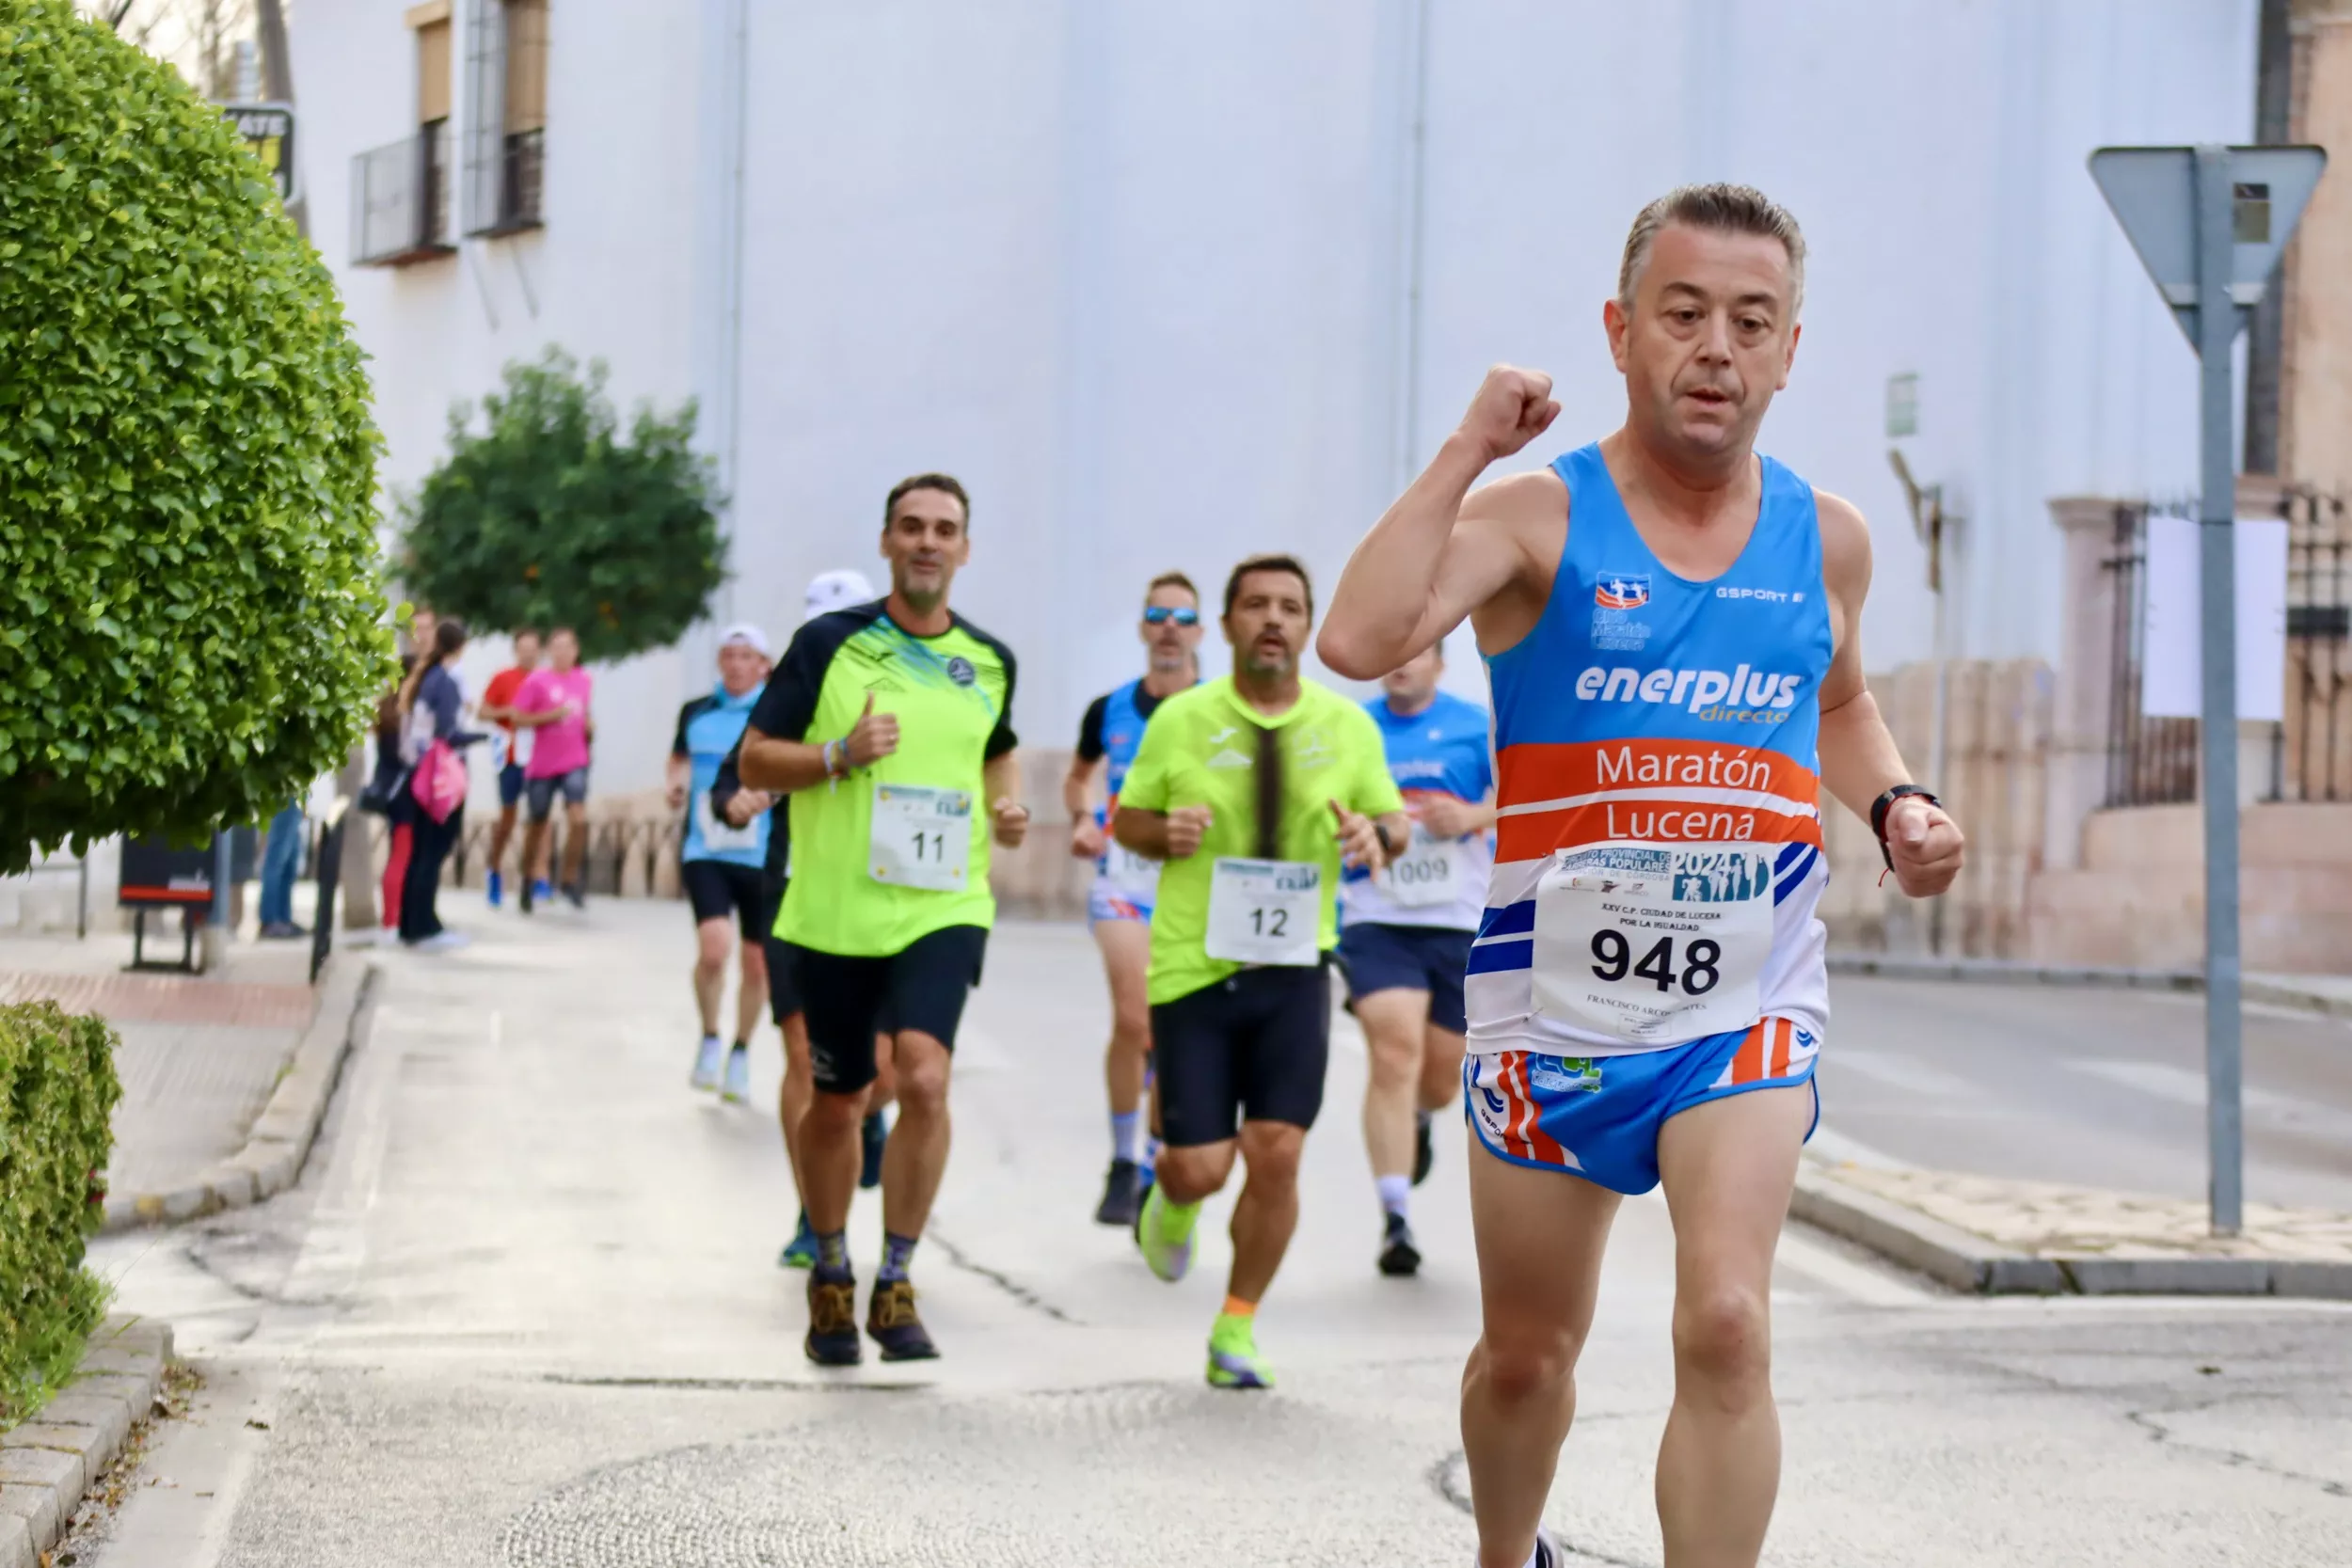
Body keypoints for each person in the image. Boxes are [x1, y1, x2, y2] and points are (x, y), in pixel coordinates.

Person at [1316, 183, 1965, 1568]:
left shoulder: (1829, 538)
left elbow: (1839, 706)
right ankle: (1506, 1551)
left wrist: (1899, 799)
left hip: (1744, 1005)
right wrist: (1465, 450)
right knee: (1524, 1355)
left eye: (1751, 320)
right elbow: (1360, 640)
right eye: (1683, 315)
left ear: (1793, 349)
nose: (1716, 347)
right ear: (1622, 332)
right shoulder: (1538, 518)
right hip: (1548, 1010)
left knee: (1727, 1318)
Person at [740, 473, 1027, 1367]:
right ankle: (830, 1267)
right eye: (912, 526)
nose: (928, 541)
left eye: (945, 528)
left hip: (944, 904)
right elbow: (756, 757)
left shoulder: (988, 659)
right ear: (887, 541)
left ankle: (896, 1274)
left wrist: (1008, 811)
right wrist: (837, 754)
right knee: (838, 1102)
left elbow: (999, 756)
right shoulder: (829, 644)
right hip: (834, 912)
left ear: (966, 548)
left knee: (926, 1077)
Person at [1116, 554, 1408, 1390]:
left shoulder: (1348, 726)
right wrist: (1160, 831)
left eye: (1289, 606)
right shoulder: (1180, 718)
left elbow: (1393, 824)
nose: (1273, 619)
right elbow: (1127, 817)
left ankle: (1236, 1325)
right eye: (1256, 605)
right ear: (1228, 622)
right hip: (1194, 964)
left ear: (1308, 624)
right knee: (1202, 1165)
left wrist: (1374, 840)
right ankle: (1170, 1198)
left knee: (1276, 1151)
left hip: (1294, 964)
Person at [710, 569, 896, 1271]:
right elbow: (736, 775)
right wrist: (735, 802)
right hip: (796, 892)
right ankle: (811, 1212)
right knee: (801, 1058)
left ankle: (867, 1111)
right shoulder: (787, 701)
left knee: (891, 1067)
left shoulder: (913, 690)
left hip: (890, 897)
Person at [1337, 639, 1496, 1277]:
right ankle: (1394, 1215)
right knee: (1394, 1051)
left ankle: (1422, 1119)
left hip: (1457, 919)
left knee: (1437, 1074)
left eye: (1417, 653)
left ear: (1439, 663)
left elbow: (1525, 803)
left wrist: (1471, 814)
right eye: (1392, 652)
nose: (1401, 662)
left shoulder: (1475, 727)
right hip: (1376, 916)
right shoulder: (1353, 727)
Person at [1063, 571, 1203, 1227]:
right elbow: (1078, 776)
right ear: (1145, 628)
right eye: (1158, 615)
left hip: (1195, 883)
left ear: (1202, 631)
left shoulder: (1221, 708)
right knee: (1134, 1017)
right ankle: (1124, 1159)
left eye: (1182, 616)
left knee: (1173, 1026)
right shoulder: (1109, 707)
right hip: (1124, 876)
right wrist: (1084, 819)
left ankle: (1151, 1156)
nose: (1169, 627)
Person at [669, 625, 778, 1103]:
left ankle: (740, 1050)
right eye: (728, 655)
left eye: (745, 656)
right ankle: (710, 1036)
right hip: (705, 848)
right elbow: (677, 760)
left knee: (757, 965)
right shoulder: (696, 711)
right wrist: (675, 784)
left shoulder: (775, 714)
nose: (735, 664)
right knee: (714, 951)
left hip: (759, 853)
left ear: (763, 666)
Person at [401, 617, 485, 951]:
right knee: (434, 850)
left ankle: (413, 924)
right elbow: (449, 734)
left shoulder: (427, 678)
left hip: (420, 775)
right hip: (441, 779)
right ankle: (424, 927)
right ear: (460, 647)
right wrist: (482, 736)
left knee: (421, 849)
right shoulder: (445, 683)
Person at [514, 627, 595, 912]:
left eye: (568, 647)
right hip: (543, 765)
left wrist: (589, 727)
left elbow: (584, 715)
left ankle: (570, 878)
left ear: (575, 650)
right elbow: (517, 717)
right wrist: (550, 716)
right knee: (538, 824)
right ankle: (527, 878)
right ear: (549, 651)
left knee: (579, 818)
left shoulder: (584, 680)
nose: (563, 652)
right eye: (557, 647)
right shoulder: (537, 681)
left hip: (575, 760)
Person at [477, 627, 544, 909]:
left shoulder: (546, 680)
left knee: (540, 819)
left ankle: (537, 877)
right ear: (516, 651)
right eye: (523, 648)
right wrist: (508, 713)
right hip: (511, 757)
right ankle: (494, 870)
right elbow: (483, 712)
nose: (528, 653)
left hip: (541, 759)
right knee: (509, 817)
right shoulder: (503, 678)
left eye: (533, 648)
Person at [257, 799, 308, 940]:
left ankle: (283, 918)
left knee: (289, 863)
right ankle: (270, 920)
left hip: (295, 794)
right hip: (285, 792)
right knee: (277, 858)